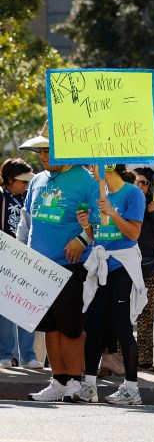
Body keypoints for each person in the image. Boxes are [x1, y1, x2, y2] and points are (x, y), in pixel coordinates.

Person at [20, 123, 99, 402]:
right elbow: (27, 221)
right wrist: (22, 254)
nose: (42, 156)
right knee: (49, 327)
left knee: (71, 327)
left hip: (70, 267)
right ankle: (58, 381)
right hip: (39, 267)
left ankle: (76, 382)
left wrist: (82, 239)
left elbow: (100, 222)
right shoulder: (37, 181)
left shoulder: (86, 180)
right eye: (40, 151)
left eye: (48, 150)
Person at [78, 164, 148, 405]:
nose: (89, 170)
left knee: (121, 325)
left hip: (123, 266)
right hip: (102, 265)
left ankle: (132, 388)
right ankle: (88, 386)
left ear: (107, 166)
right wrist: (86, 225)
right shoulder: (99, 193)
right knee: (94, 324)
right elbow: (99, 236)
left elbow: (134, 234)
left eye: (92, 165)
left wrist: (113, 213)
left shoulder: (133, 193)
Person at [0, 158, 43, 369]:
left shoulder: (29, 198)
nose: (26, 185)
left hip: (26, 257)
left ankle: (28, 355)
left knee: (27, 307)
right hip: (5, 257)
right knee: (6, 309)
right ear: (10, 179)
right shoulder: (1, 197)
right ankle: (6, 354)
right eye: (22, 181)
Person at [132, 166, 154, 373]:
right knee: (124, 315)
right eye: (137, 181)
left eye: (144, 183)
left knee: (146, 316)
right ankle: (121, 358)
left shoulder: (153, 207)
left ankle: (144, 360)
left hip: (150, 267)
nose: (141, 186)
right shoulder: (124, 205)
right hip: (126, 266)